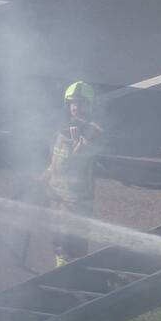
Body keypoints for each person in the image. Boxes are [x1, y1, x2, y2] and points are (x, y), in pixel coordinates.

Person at [42, 81, 103, 267]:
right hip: (57, 196)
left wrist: (78, 143)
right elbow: (55, 159)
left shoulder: (93, 131)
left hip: (78, 197)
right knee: (59, 237)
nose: (76, 107)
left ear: (89, 105)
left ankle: (76, 271)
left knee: (76, 238)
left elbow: (77, 160)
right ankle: (61, 266)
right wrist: (45, 175)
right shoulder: (61, 129)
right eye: (73, 103)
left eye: (81, 103)